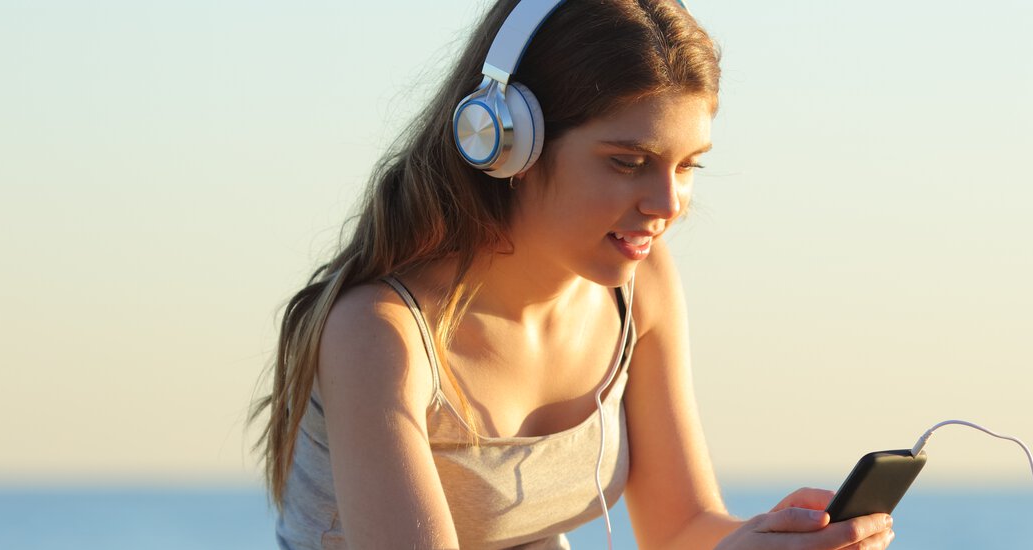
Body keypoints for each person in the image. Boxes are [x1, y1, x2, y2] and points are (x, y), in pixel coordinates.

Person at [249, 1, 897, 548]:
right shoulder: (379, 334)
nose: (667, 205)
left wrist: (774, 537)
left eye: (688, 166)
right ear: (506, 142)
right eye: (627, 161)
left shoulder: (640, 289)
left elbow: (680, 526)